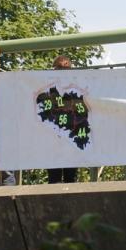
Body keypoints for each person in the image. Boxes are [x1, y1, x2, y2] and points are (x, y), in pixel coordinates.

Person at [47, 54, 79, 184]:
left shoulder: (48, 85)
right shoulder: (77, 84)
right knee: (69, 178)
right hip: (70, 135)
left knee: (55, 178)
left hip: (56, 136)